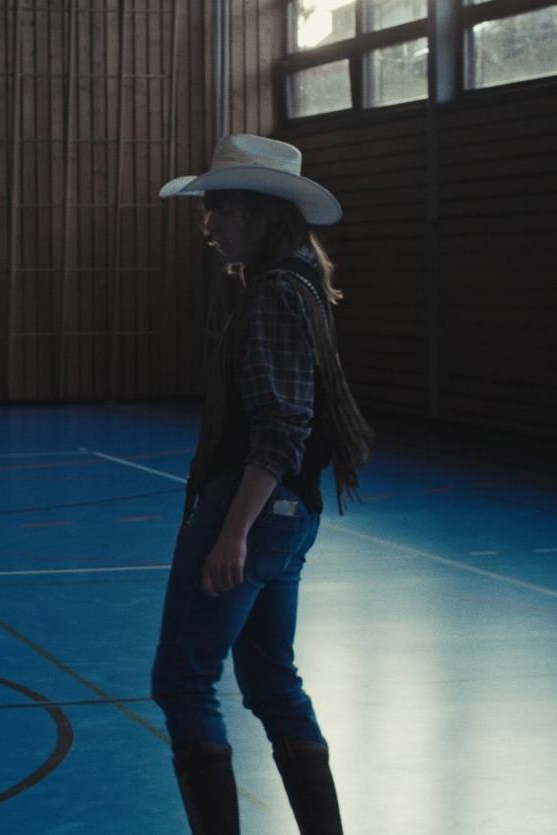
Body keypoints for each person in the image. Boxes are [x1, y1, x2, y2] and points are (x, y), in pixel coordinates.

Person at [150, 134, 374, 834]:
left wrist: (233, 531)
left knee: (183, 680)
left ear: (260, 213)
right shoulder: (297, 282)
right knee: (272, 681)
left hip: (255, 509)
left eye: (220, 209)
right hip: (291, 511)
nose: (208, 225)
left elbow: (281, 425)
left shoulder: (276, 292)